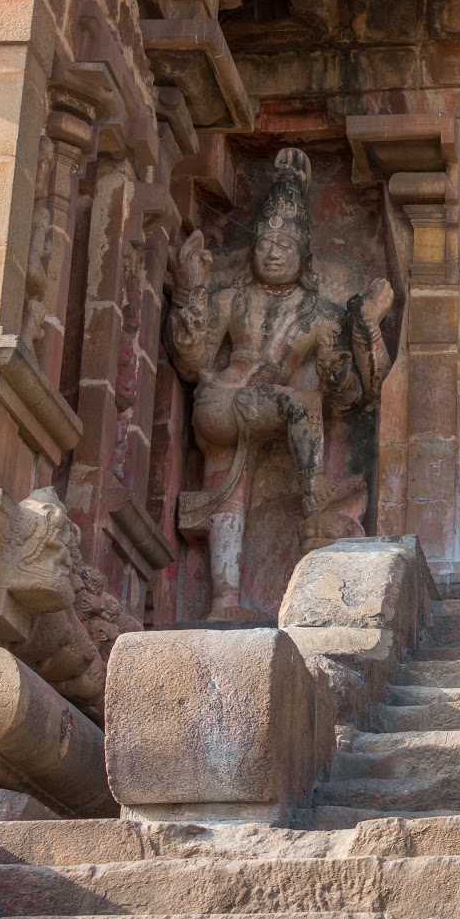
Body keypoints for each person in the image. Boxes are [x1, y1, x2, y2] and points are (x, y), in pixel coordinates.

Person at [167, 148, 396, 620]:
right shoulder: (232, 299)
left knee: (227, 491)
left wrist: (363, 335)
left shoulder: (320, 315)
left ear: (303, 254)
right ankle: (316, 491)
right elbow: (191, 364)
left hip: (252, 408)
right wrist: (190, 291)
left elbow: (358, 394)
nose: (272, 250)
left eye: (284, 244)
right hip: (219, 402)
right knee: (300, 404)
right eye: (264, 241)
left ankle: (224, 602)